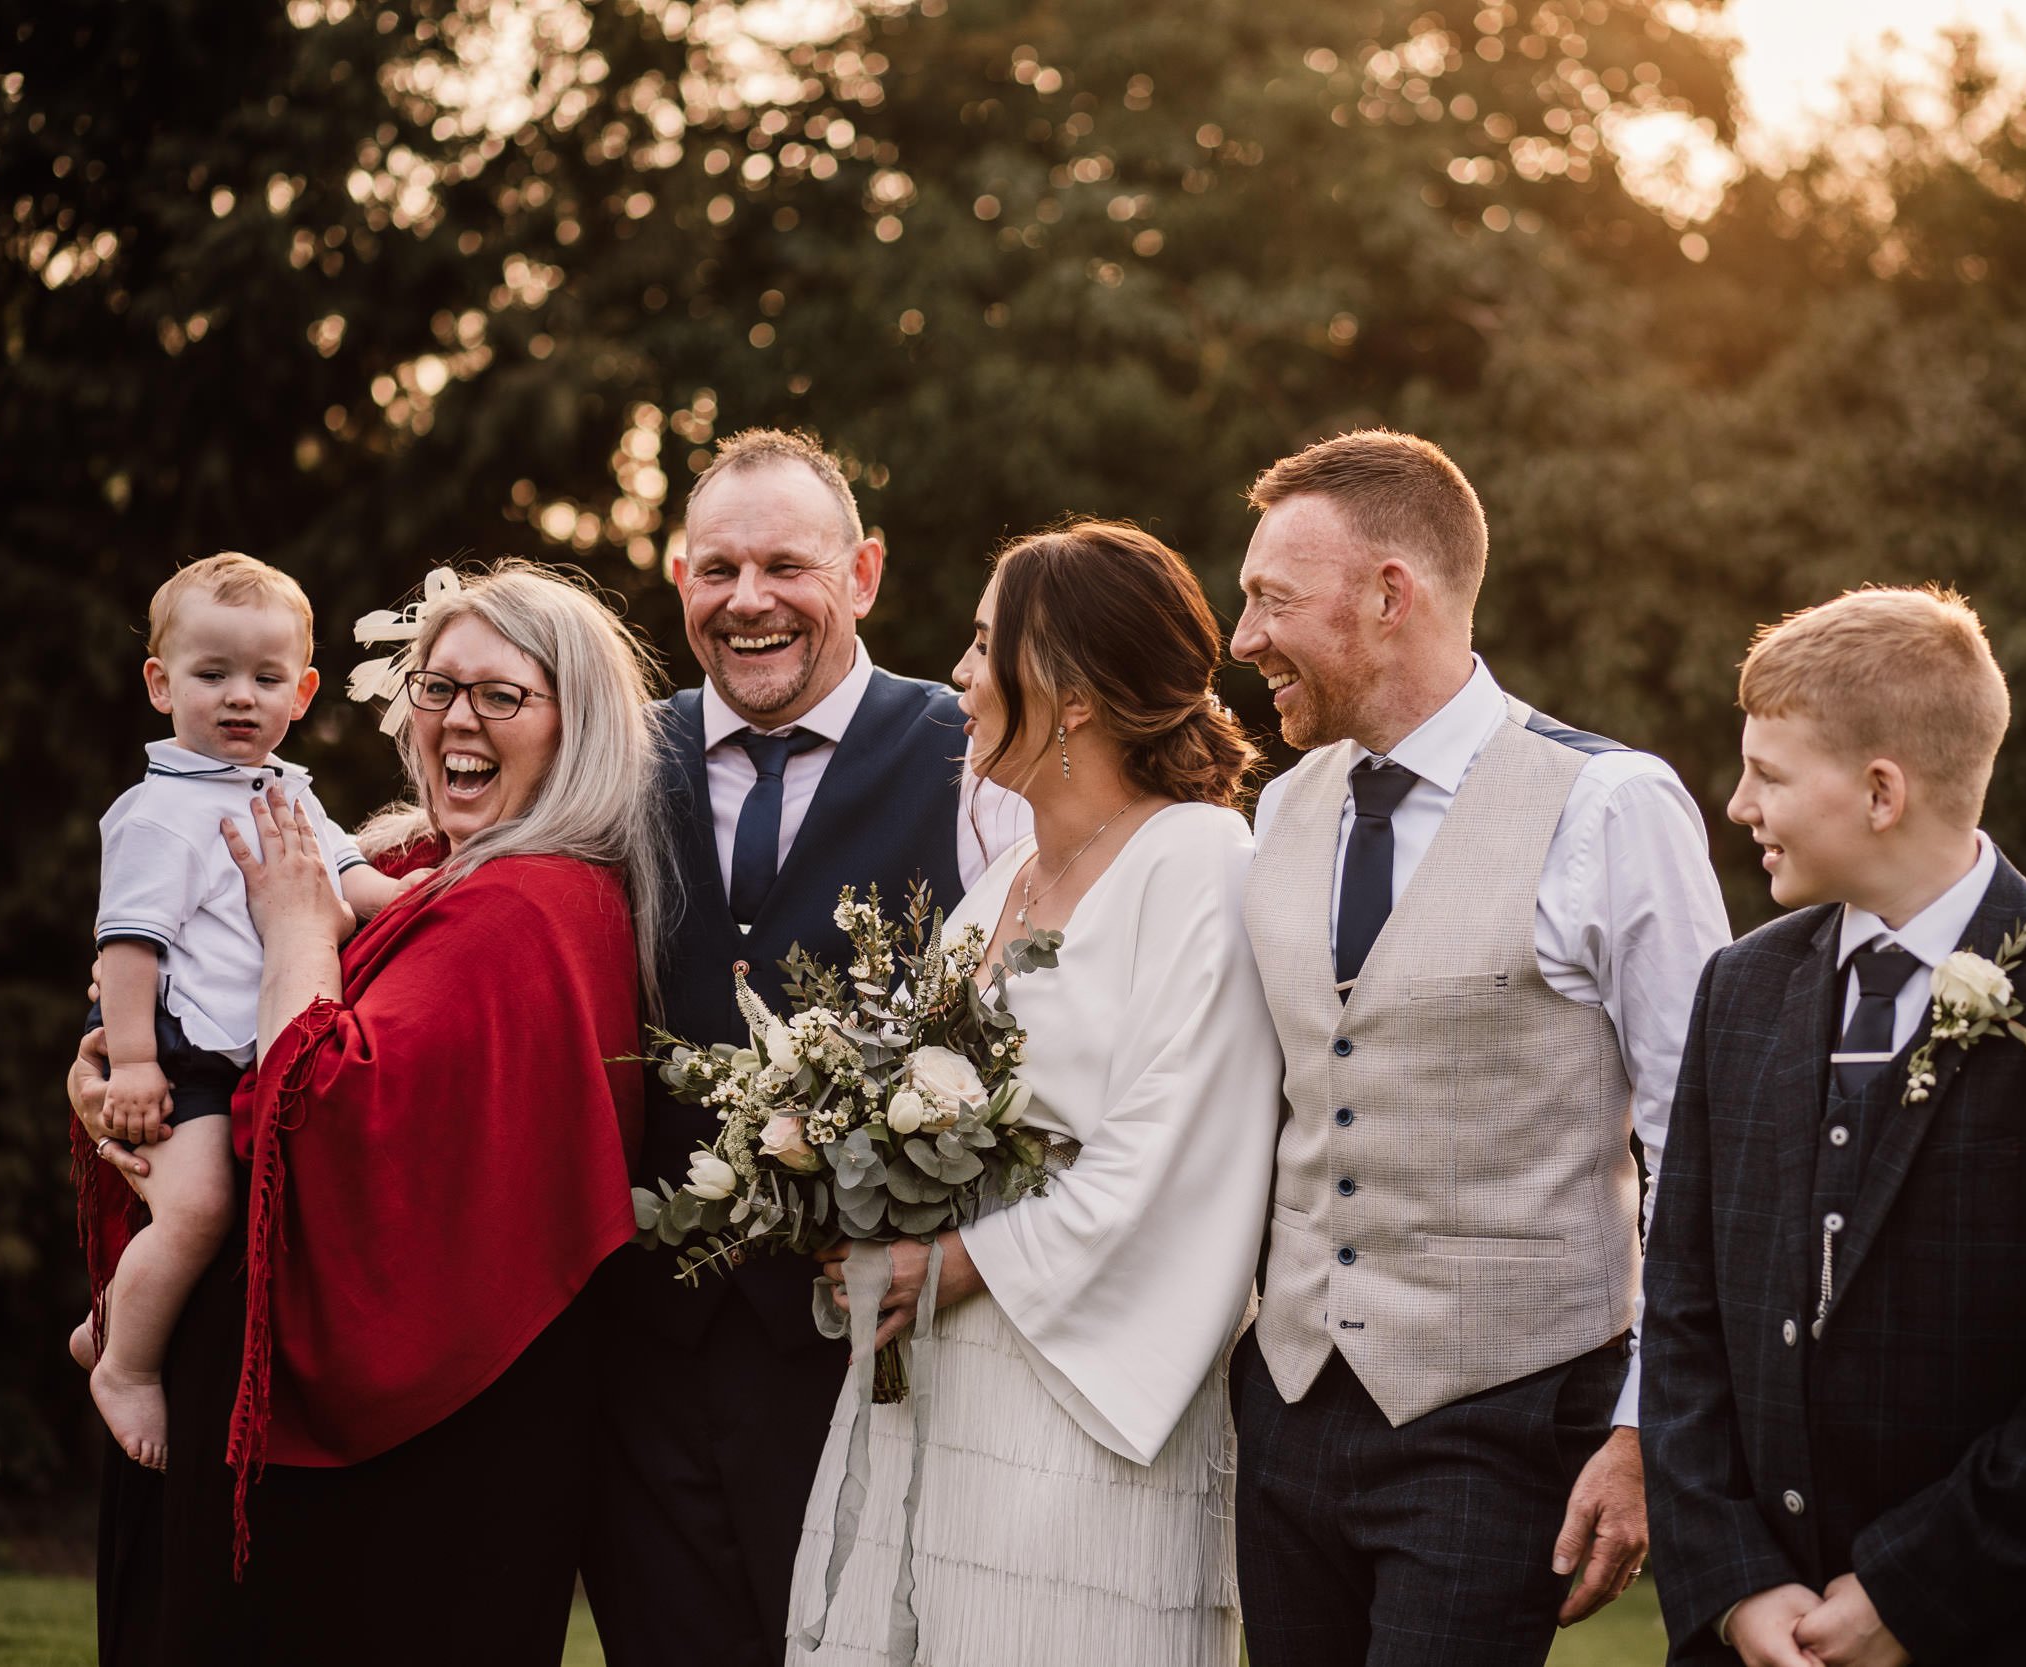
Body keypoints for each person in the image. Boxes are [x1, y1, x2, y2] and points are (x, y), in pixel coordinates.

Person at [71, 560, 666, 1665]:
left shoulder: (528, 903)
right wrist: (112, 1064)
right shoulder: (420, 860)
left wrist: (299, 928)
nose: (456, 719)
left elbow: (328, 1117)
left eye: (500, 693)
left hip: (391, 1466)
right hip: (276, 1404)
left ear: (574, 722)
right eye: (436, 688)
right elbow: (188, 990)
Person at [1227, 430, 1731, 1664]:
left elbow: (1706, 1141)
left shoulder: (1610, 806)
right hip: (1287, 1408)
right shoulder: (1280, 804)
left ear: (1391, 595)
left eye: (1270, 601)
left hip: (1503, 1412)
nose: (1241, 640)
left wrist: (1643, 1427)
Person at [1640, 586, 2026, 1667]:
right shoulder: (1739, 989)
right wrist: (1736, 1579)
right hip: (1757, 1639)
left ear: (1879, 790)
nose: (1735, 803)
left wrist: (1911, 1586)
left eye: (1766, 773)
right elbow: (1681, 1310)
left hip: (2005, 1630)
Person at [788, 519, 1280, 1666]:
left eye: (979, 644)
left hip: (1079, 1392)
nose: (957, 677)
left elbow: (1178, 1150)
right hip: (936, 1382)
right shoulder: (998, 886)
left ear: (1067, 692)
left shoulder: (1198, 860)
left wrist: (951, 1264)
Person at [581, 429, 1028, 1667]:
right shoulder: (616, 753)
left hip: (878, 1357)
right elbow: (457, 878)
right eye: (717, 568)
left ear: (865, 573)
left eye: (787, 563)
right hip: (647, 1363)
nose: (749, 599)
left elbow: (1054, 1014)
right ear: (680, 581)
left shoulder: (973, 756)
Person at [73, 553, 405, 1471]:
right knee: (199, 1207)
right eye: (211, 674)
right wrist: (135, 1063)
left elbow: (351, 875)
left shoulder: (286, 790)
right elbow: (127, 948)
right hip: (182, 1051)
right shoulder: (157, 812)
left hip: (253, 1048)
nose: (238, 698)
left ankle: (110, 1325)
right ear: (159, 682)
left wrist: (435, 888)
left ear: (302, 692)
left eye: (264, 679)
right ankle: (123, 1364)